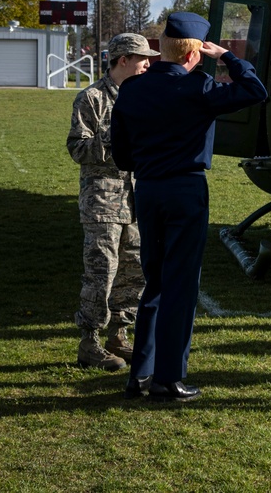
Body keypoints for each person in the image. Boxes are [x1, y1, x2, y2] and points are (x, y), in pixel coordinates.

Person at [110, 12, 267, 402]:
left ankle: (140, 374)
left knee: (155, 282)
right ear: (195, 54)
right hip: (185, 190)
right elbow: (255, 90)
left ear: (161, 48)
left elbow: (122, 155)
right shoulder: (201, 87)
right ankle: (168, 377)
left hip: (147, 189)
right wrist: (227, 57)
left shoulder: (132, 89)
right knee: (181, 285)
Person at [67, 33, 160, 371]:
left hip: (137, 198)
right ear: (124, 60)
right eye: (143, 59)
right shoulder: (91, 98)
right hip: (103, 201)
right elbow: (78, 148)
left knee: (134, 271)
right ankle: (89, 343)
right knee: (101, 272)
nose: (148, 64)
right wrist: (115, 132)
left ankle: (119, 335)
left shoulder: (142, 97)